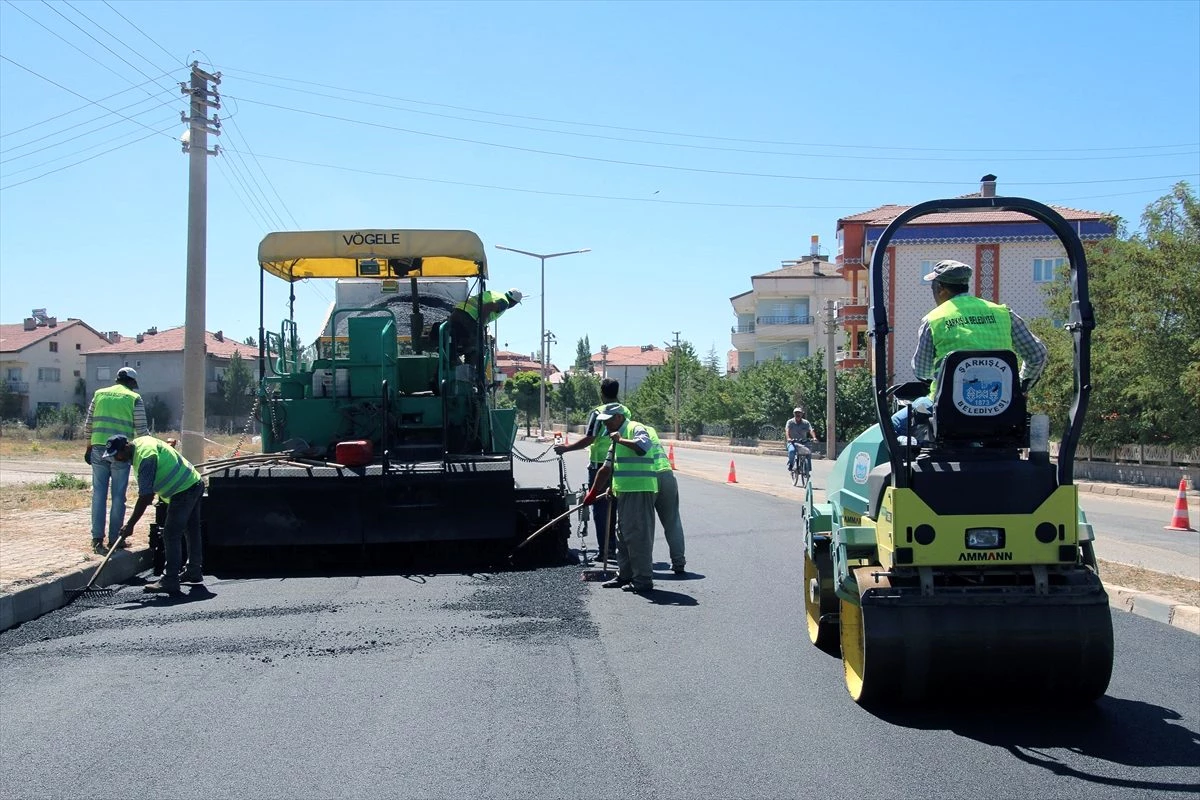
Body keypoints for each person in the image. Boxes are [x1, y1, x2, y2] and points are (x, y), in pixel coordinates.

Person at [894, 259, 1048, 430]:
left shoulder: (934, 319)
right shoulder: (1003, 313)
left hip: (948, 411)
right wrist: (1018, 387)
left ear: (940, 288)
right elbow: (1037, 354)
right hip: (1001, 410)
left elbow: (922, 371)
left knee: (894, 424)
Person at [105, 434, 205, 596]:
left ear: (125, 447)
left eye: (116, 455)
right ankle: (193, 570)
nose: (116, 459)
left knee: (171, 534)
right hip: (193, 482)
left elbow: (146, 496)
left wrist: (130, 525)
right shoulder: (142, 443)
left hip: (183, 490)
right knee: (191, 530)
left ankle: (170, 580)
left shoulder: (145, 458)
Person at [581, 403, 657, 594]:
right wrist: (593, 493)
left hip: (639, 491)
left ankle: (642, 580)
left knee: (638, 536)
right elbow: (606, 468)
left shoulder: (635, 428)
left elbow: (643, 447)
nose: (605, 426)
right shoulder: (613, 436)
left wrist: (621, 439)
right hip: (623, 492)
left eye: (607, 422)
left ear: (618, 418)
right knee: (622, 535)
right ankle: (625, 575)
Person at [554, 378, 624, 560]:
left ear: (601, 392)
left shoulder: (598, 412)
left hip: (600, 464)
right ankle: (614, 548)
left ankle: (605, 551)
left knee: (600, 509)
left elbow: (589, 439)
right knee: (615, 508)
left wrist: (565, 448)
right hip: (619, 463)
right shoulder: (624, 411)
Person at [81, 367, 149, 554]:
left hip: (98, 447)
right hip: (120, 452)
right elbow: (142, 430)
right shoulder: (133, 398)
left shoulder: (99, 394)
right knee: (118, 496)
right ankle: (115, 539)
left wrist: (89, 446)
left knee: (99, 494)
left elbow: (89, 424)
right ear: (132, 383)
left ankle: (96, 539)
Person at [644, 425, 687, 575]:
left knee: (645, 524)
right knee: (672, 521)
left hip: (647, 478)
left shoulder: (626, 431)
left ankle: (644, 565)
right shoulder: (650, 429)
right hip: (667, 474)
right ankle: (678, 562)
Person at [447, 287, 522, 362]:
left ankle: (452, 360)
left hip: (457, 312)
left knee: (455, 341)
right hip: (470, 317)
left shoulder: (496, 294)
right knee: (476, 348)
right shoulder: (504, 302)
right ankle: (469, 371)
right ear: (514, 303)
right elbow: (488, 307)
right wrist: (481, 324)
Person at [785, 407, 817, 475]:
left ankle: (807, 470)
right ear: (794, 414)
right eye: (796, 413)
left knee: (808, 453)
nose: (798, 414)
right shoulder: (790, 422)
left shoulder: (806, 422)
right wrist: (789, 438)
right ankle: (791, 464)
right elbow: (787, 430)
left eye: (799, 413)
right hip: (792, 442)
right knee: (791, 451)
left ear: (802, 414)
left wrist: (814, 438)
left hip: (803, 443)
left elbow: (811, 430)